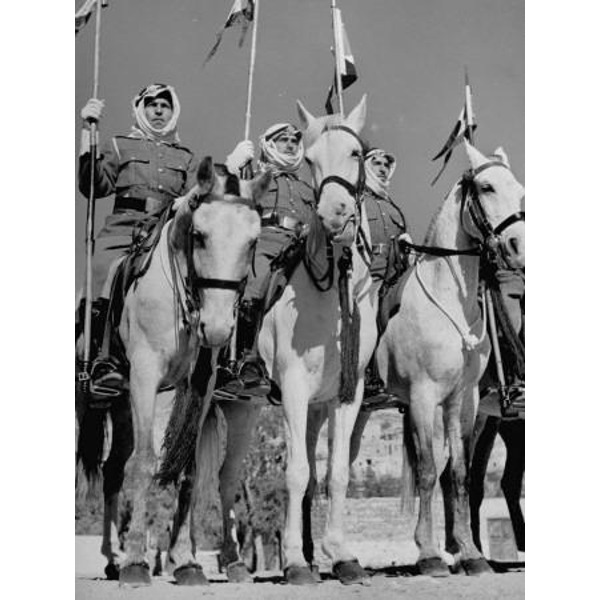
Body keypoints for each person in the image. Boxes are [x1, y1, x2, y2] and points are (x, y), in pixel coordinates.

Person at [78, 83, 198, 397]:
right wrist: (87, 133)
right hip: (124, 230)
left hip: (165, 234)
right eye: (152, 104)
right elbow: (94, 186)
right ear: (140, 109)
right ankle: (101, 357)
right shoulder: (120, 145)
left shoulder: (186, 157)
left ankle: (200, 362)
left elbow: (199, 198)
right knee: (104, 270)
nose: (158, 110)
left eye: (165, 105)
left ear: (174, 112)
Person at [223, 123, 315, 395]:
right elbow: (228, 198)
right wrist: (232, 167)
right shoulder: (254, 176)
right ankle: (244, 358)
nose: (291, 144)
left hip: (301, 246)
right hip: (266, 240)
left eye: (294, 140)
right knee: (255, 289)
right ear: (270, 144)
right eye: (283, 139)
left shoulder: (308, 188)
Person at [360, 147, 413, 399]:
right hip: (367, 274)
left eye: (385, 164)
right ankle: (369, 377)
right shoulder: (357, 200)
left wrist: (408, 249)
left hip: (394, 277)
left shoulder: (393, 207)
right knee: (370, 320)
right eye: (376, 163)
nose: (382, 168)